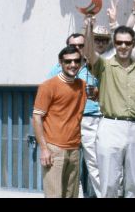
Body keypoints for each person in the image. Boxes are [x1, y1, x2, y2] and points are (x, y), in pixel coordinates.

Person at [82, 21, 135, 198]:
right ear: (115, 43)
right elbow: (89, 54)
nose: (123, 46)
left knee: (134, 184)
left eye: (127, 43)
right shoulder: (104, 66)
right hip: (111, 126)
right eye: (119, 42)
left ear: (133, 44)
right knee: (110, 183)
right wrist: (88, 29)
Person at [47, 32, 102, 197]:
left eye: (81, 45)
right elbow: (49, 94)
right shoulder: (58, 69)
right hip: (67, 121)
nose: (77, 49)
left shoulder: (94, 65)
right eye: (73, 46)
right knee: (67, 165)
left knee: (95, 164)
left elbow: (105, 91)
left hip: (90, 119)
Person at [32, 45, 87, 198]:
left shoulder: (82, 85)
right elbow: (37, 118)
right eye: (68, 61)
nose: (73, 65)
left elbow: (95, 93)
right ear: (60, 62)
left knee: (72, 195)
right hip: (54, 149)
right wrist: (44, 149)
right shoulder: (48, 86)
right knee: (54, 195)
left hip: (75, 149)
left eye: (77, 61)